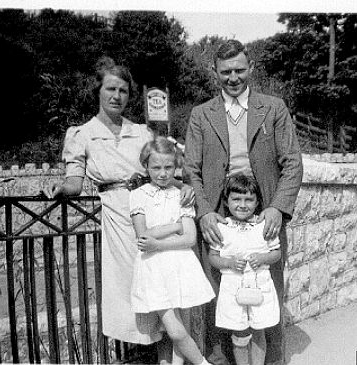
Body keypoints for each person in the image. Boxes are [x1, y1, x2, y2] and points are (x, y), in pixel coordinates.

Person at [45, 56, 194, 348]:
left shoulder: (141, 131)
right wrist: (61, 187)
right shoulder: (82, 134)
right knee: (135, 288)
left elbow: (168, 166)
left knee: (165, 282)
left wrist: (184, 185)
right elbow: (75, 180)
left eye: (123, 91)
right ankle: (149, 351)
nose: (117, 96)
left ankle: (172, 354)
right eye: (111, 89)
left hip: (154, 209)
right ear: (98, 90)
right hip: (118, 216)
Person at [183, 40, 303, 365]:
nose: (233, 78)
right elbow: (190, 168)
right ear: (214, 72)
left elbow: (292, 162)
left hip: (264, 211)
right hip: (218, 216)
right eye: (225, 72)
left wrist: (278, 207)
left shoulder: (273, 108)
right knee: (216, 289)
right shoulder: (201, 115)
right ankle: (222, 359)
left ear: (250, 67)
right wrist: (205, 212)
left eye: (239, 70)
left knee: (268, 286)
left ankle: (271, 360)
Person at [129, 136, 215, 365]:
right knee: (174, 330)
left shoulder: (182, 195)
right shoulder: (138, 196)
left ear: (176, 167)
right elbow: (143, 236)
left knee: (182, 331)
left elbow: (189, 238)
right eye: (156, 167)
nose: (163, 173)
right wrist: (176, 226)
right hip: (154, 268)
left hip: (181, 265)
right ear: (146, 166)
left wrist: (160, 240)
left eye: (168, 167)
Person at [209, 174, 281, 365]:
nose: (243, 204)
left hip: (260, 284)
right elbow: (213, 257)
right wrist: (229, 263)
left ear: (257, 202)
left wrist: (264, 257)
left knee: (259, 329)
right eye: (236, 199)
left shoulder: (263, 225)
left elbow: (276, 253)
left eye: (249, 199)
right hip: (233, 286)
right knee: (239, 333)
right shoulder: (222, 227)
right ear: (226, 201)